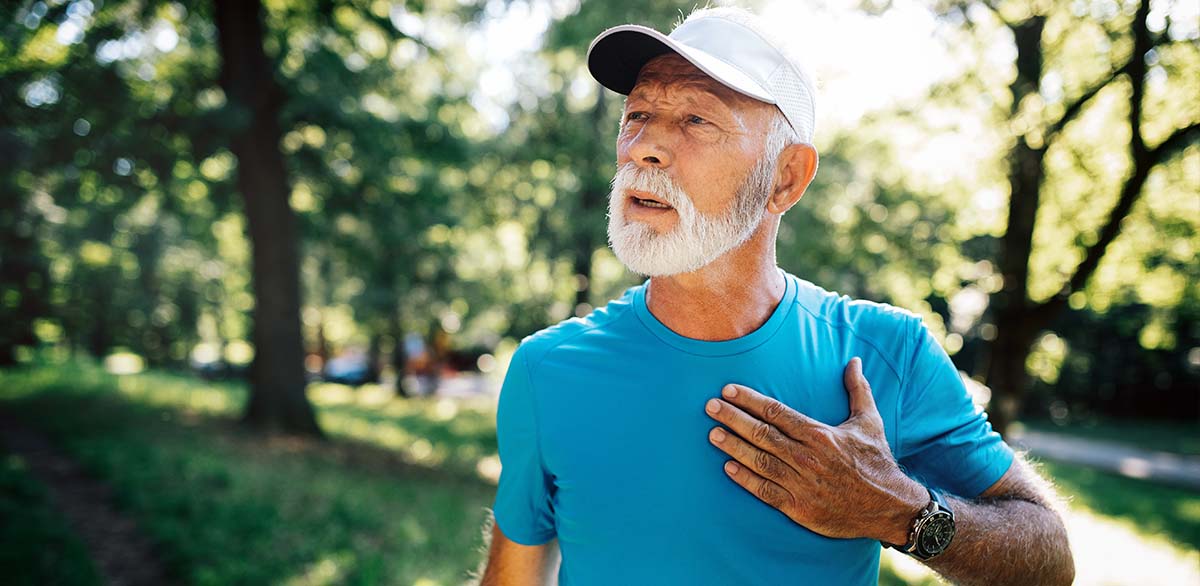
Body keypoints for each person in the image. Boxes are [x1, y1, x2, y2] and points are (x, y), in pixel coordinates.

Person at [478, 7, 1073, 585]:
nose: (643, 148)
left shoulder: (887, 354)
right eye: (637, 115)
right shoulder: (546, 369)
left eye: (695, 121)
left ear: (786, 177)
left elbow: (1050, 562)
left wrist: (897, 512)